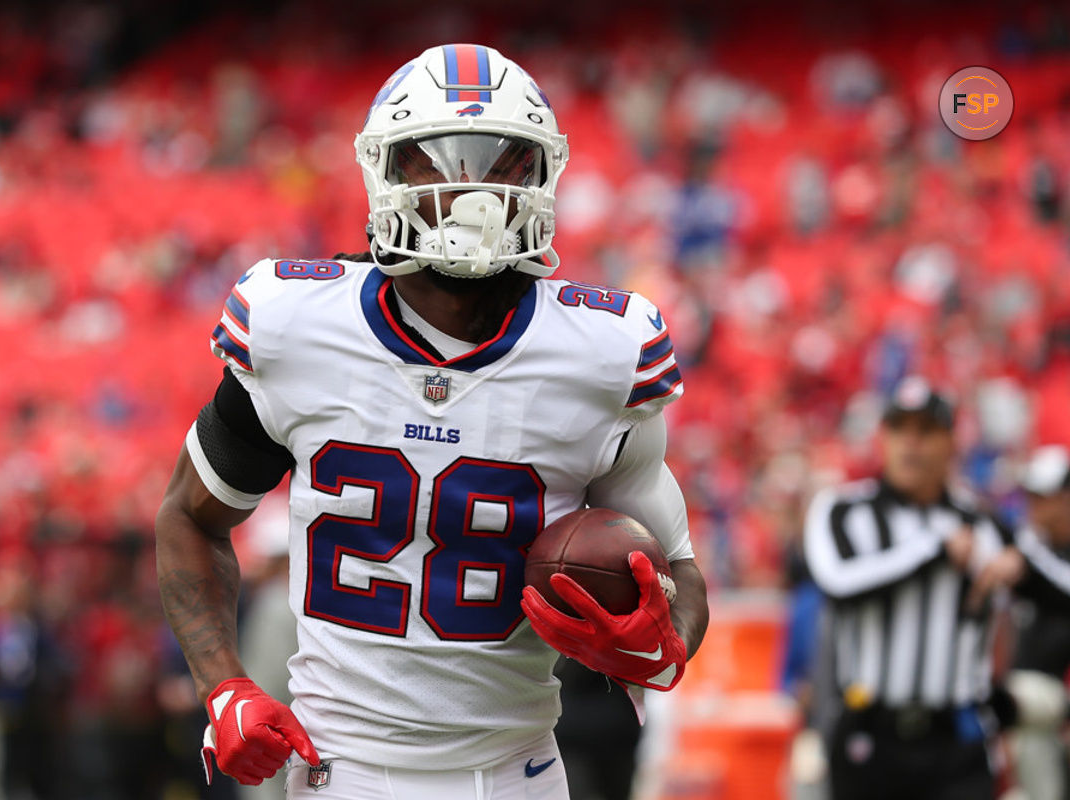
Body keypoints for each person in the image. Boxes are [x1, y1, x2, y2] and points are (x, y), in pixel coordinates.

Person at [154, 43, 709, 800]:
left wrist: (657, 641)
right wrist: (224, 689)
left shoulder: (603, 354)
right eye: (436, 161)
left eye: (501, 163)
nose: (470, 189)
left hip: (519, 774)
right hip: (336, 771)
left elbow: (677, 576)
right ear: (386, 172)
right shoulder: (296, 326)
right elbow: (190, 518)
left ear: (541, 177)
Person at [803, 376, 1022, 800]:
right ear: (882, 438)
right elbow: (839, 583)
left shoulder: (986, 521)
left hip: (957, 736)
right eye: (899, 429)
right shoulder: (842, 510)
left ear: (951, 442)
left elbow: (1029, 588)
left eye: (926, 432)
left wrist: (1020, 569)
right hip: (871, 732)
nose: (911, 444)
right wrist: (935, 550)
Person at [1007, 445, 1070, 800]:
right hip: (1027, 713)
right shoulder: (1032, 549)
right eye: (1030, 495)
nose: (1034, 505)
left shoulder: (1033, 556)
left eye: (1043, 496)